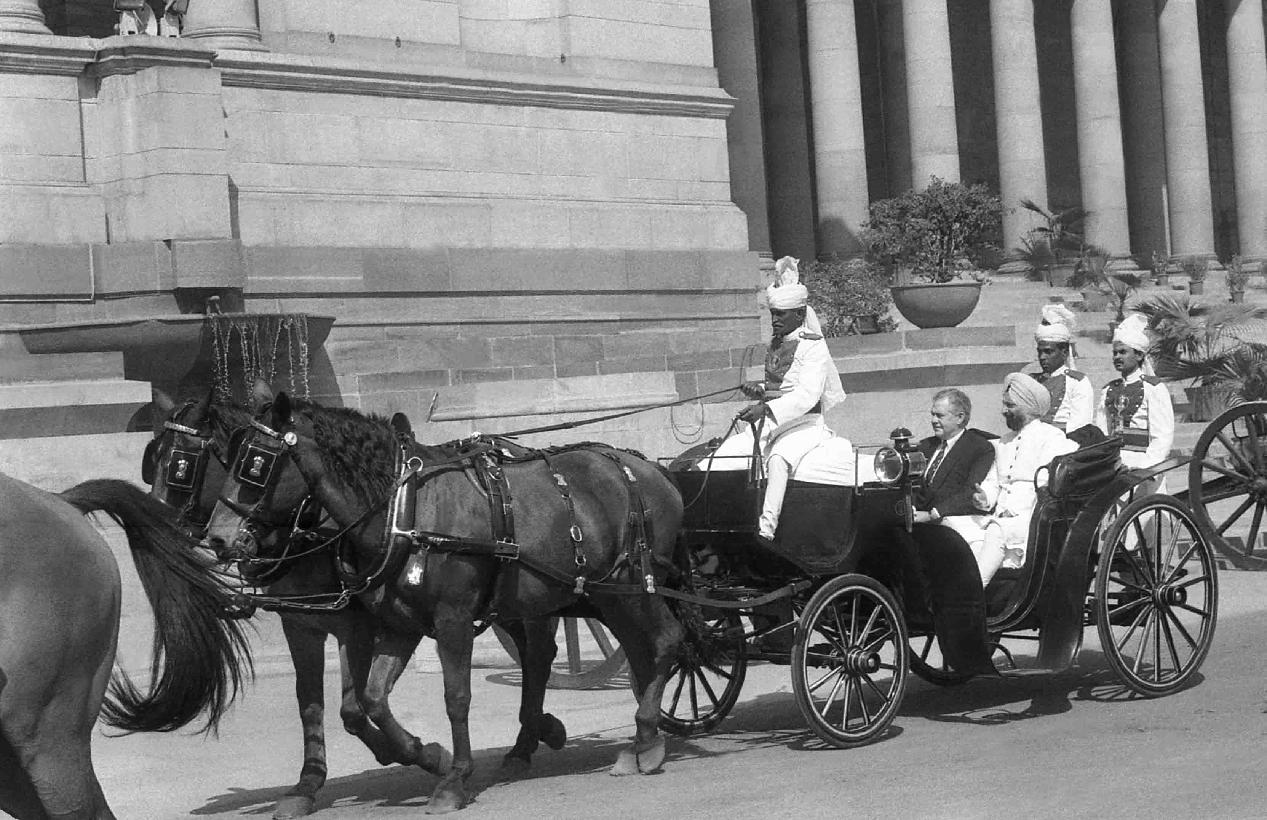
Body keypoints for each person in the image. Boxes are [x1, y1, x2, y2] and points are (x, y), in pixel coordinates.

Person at [711, 255, 847, 541]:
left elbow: (807, 394)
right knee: (725, 454)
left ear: (799, 314)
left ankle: (766, 528)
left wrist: (765, 409)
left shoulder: (813, 346)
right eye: (773, 314)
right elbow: (782, 385)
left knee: (779, 459)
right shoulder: (776, 343)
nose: (775, 320)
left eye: (781, 315)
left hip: (804, 425)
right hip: (774, 423)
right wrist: (759, 389)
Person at [977, 373, 1078, 583]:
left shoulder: (1051, 437)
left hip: (1032, 518)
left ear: (1028, 407)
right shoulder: (1004, 441)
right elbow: (993, 482)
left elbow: (1047, 486)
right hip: (998, 515)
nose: (1003, 411)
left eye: (1010, 405)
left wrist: (1013, 511)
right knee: (953, 527)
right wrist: (984, 497)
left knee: (996, 531)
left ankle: (972, 594)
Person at [912, 389, 997, 583]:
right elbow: (913, 485)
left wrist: (932, 514)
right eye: (932, 415)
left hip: (949, 528)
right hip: (916, 524)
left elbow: (970, 492)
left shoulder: (979, 448)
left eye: (939, 416)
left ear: (960, 417)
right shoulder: (925, 446)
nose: (933, 420)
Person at [1095, 312, 1175, 471]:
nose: (1117, 357)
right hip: (1113, 465)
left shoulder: (1153, 388)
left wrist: (1145, 466)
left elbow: (1162, 436)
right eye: (1115, 353)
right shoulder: (1108, 390)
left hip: (1143, 464)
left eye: (1123, 352)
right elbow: (1102, 431)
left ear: (1138, 355)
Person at [1031, 304, 1095, 434]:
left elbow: (1080, 426)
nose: (1042, 357)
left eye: (1048, 352)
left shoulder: (1077, 382)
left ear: (1064, 352)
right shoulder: (1031, 380)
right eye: (1040, 352)